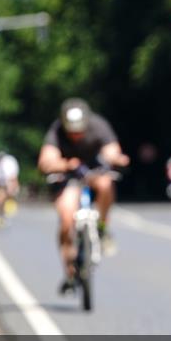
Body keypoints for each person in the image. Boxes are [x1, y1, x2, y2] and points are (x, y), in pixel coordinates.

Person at [37, 98, 130, 294]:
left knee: (106, 184)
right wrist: (64, 164)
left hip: (95, 171)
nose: (76, 135)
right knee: (66, 217)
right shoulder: (56, 131)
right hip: (68, 175)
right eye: (72, 131)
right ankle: (70, 272)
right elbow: (46, 159)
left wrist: (114, 158)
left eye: (79, 130)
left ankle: (102, 228)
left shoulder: (99, 126)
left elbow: (112, 149)